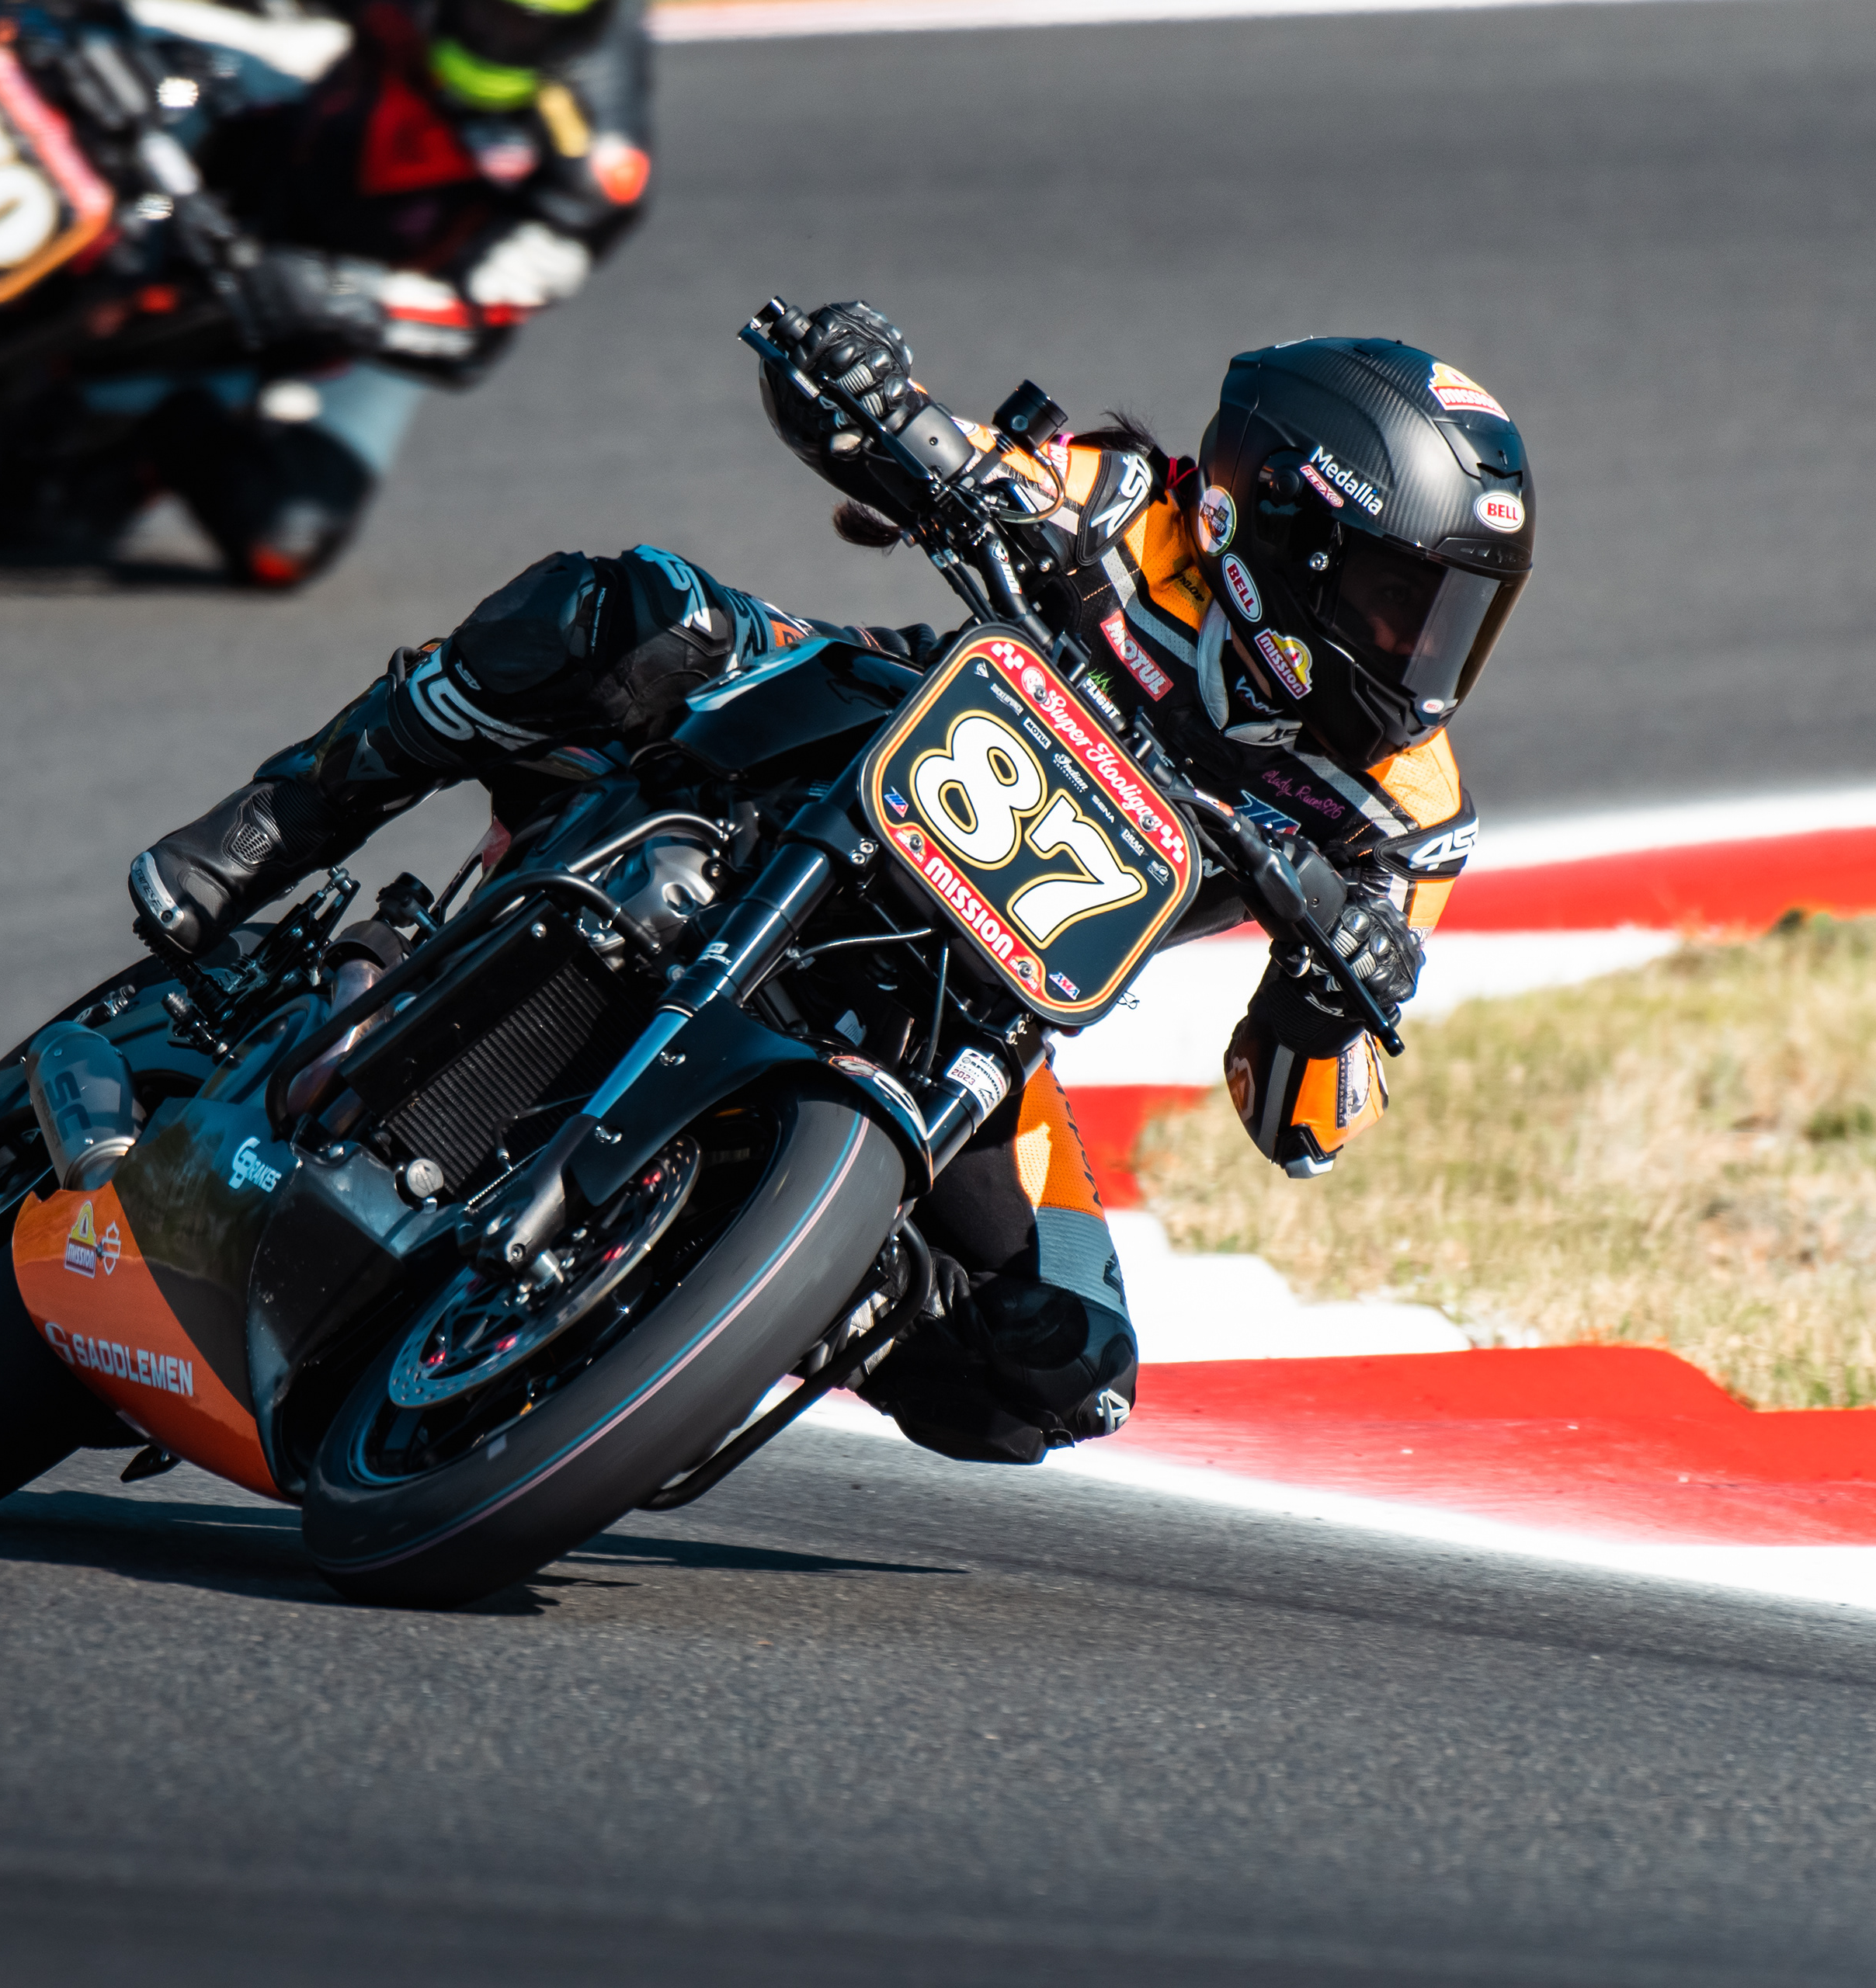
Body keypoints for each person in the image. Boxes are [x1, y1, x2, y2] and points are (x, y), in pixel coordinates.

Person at [123, 301, 1535, 1461]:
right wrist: (865, 391)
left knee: (1061, 1371)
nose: (1421, 655)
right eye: (1399, 602)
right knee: (631, 613)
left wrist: (1334, 999)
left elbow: (1304, 1126)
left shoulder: (1408, 814)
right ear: (1273, 525)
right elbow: (926, 450)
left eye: (1454, 620)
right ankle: (278, 825)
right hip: (840, 748)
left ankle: (745, 1283)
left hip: (979, 1008)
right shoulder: (1124, 502)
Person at [0, 0, 655, 586]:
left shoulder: (600, 161)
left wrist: (342, 297)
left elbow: (477, 328)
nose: (499, 41)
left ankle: (146, 426)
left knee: (285, 538)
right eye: (487, 13)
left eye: (527, 29)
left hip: (383, 291)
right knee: (41, 40)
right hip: (289, 131)